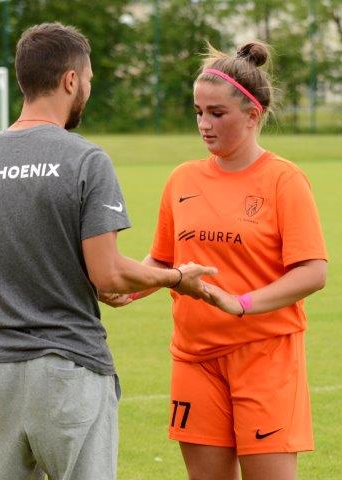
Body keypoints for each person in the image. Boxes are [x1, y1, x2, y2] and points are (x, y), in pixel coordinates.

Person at [0, 22, 216, 480]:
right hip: (68, 369)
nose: (88, 90)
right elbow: (108, 276)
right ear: (70, 80)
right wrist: (176, 278)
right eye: (90, 80)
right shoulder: (85, 159)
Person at [138, 41, 327, 479]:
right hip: (194, 359)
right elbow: (162, 261)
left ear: (253, 115)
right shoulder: (182, 179)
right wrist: (125, 285)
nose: (204, 124)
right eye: (198, 112)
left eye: (217, 113)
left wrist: (240, 303)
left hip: (264, 357)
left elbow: (313, 271)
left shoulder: (284, 180)